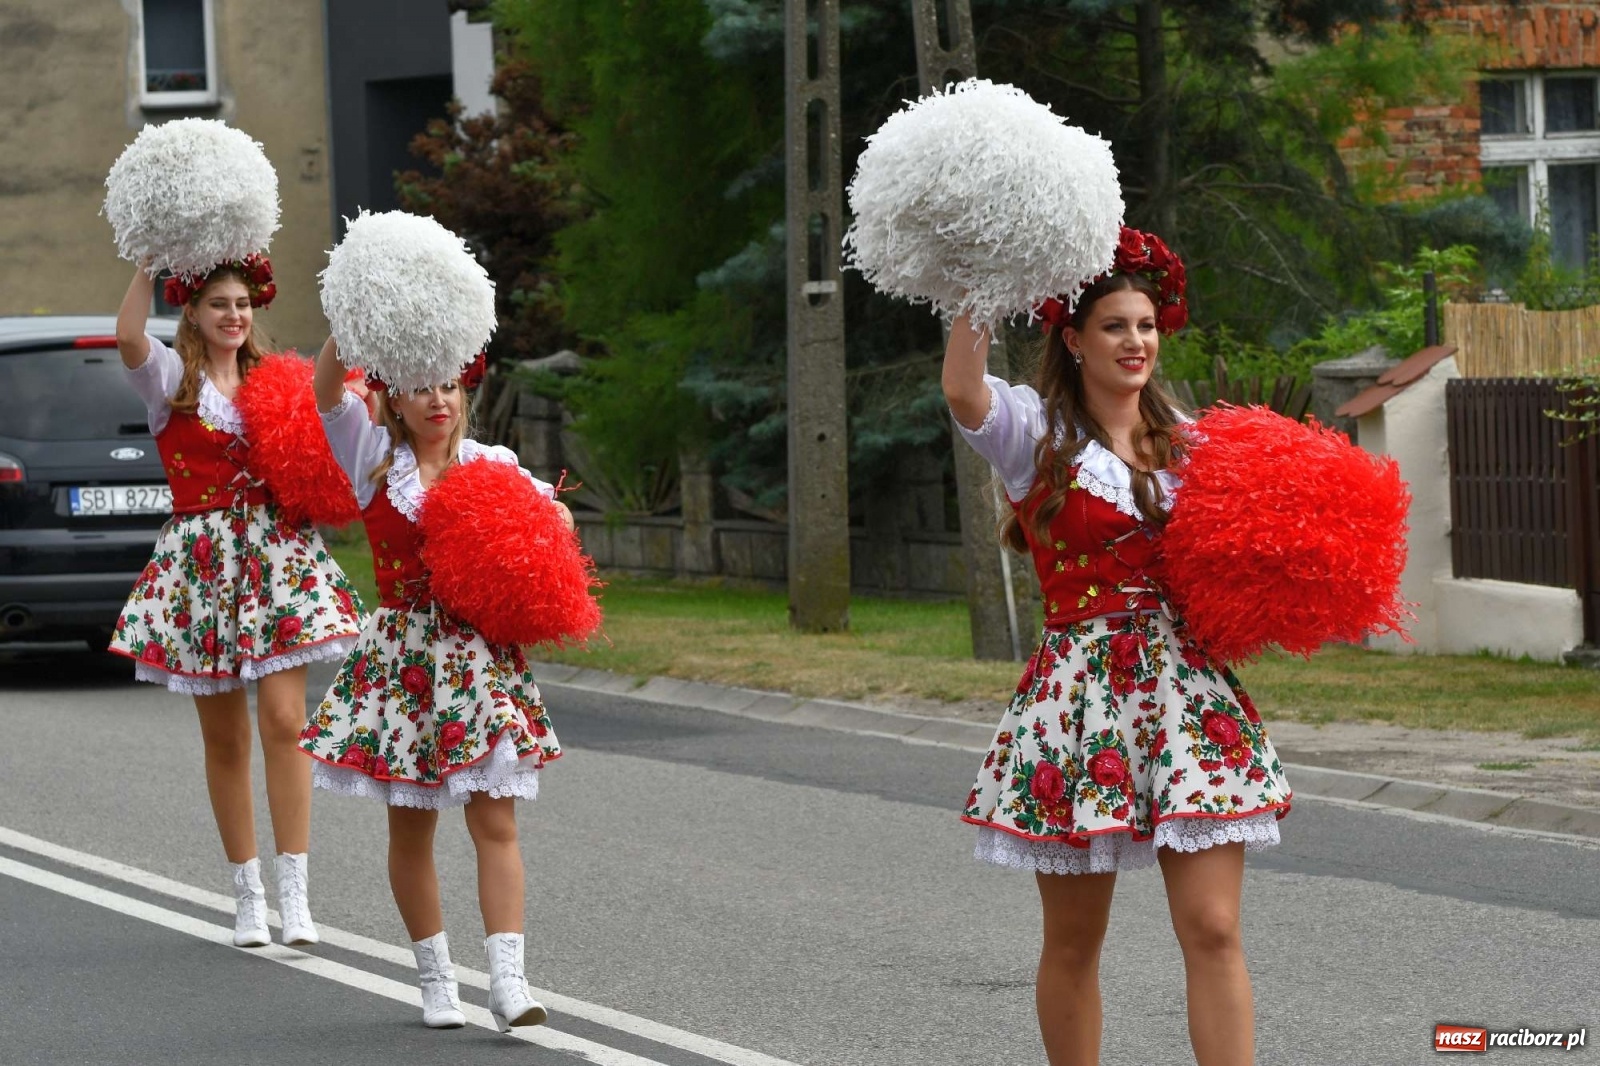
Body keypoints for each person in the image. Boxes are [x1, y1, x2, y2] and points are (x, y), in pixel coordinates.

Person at [942, 228, 1292, 1066]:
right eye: (1114, 327)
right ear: (1074, 340)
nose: (1136, 341)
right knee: (1073, 941)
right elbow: (962, 391)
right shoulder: (1033, 436)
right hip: (1079, 702)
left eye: (1146, 325)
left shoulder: (1193, 444)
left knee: (1212, 928)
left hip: (1187, 695)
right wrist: (979, 286)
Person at [297, 336, 572, 1032]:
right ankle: (435, 978)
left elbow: (552, 525)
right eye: (421, 387)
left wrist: (554, 527)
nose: (438, 399)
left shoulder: (493, 465)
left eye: (449, 385)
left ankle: (509, 981)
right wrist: (352, 325)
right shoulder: (371, 460)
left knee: (494, 817)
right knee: (412, 826)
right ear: (393, 395)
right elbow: (325, 391)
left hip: (478, 660)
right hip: (403, 662)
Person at [112, 259, 365, 949]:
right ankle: (247, 892)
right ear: (191, 312)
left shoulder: (276, 381)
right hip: (201, 569)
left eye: (244, 303)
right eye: (219, 303)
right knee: (225, 738)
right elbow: (128, 335)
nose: (234, 314)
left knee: (286, 720)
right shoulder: (170, 382)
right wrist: (146, 262)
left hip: (278, 557)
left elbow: (332, 403)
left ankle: (296, 891)